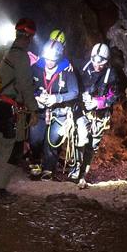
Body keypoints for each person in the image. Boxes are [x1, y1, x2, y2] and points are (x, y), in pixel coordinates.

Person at [0, 18, 39, 203]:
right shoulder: (21, 56)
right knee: (13, 150)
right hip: (13, 109)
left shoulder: (5, 53)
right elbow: (25, 86)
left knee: (1, 148)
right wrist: (34, 110)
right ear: (29, 36)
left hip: (1, 106)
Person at [70, 42, 122, 188]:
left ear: (107, 61)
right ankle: (76, 169)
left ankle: (83, 174)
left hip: (100, 115)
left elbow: (115, 95)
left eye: (101, 63)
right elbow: (66, 60)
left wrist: (99, 102)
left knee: (92, 145)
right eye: (94, 61)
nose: (97, 65)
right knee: (81, 137)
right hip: (82, 110)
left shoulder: (111, 75)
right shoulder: (83, 67)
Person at [28, 33, 79, 180]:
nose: (49, 62)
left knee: (53, 141)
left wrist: (57, 98)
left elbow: (74, 92)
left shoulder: (66, 70)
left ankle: (49, 168)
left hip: (59, 113)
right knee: (35, 139)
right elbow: (28, 86)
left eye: (53, 59)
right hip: (40, 111)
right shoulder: (37, 68)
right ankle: (35, 162)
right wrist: (36, 97)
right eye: (47, 59)